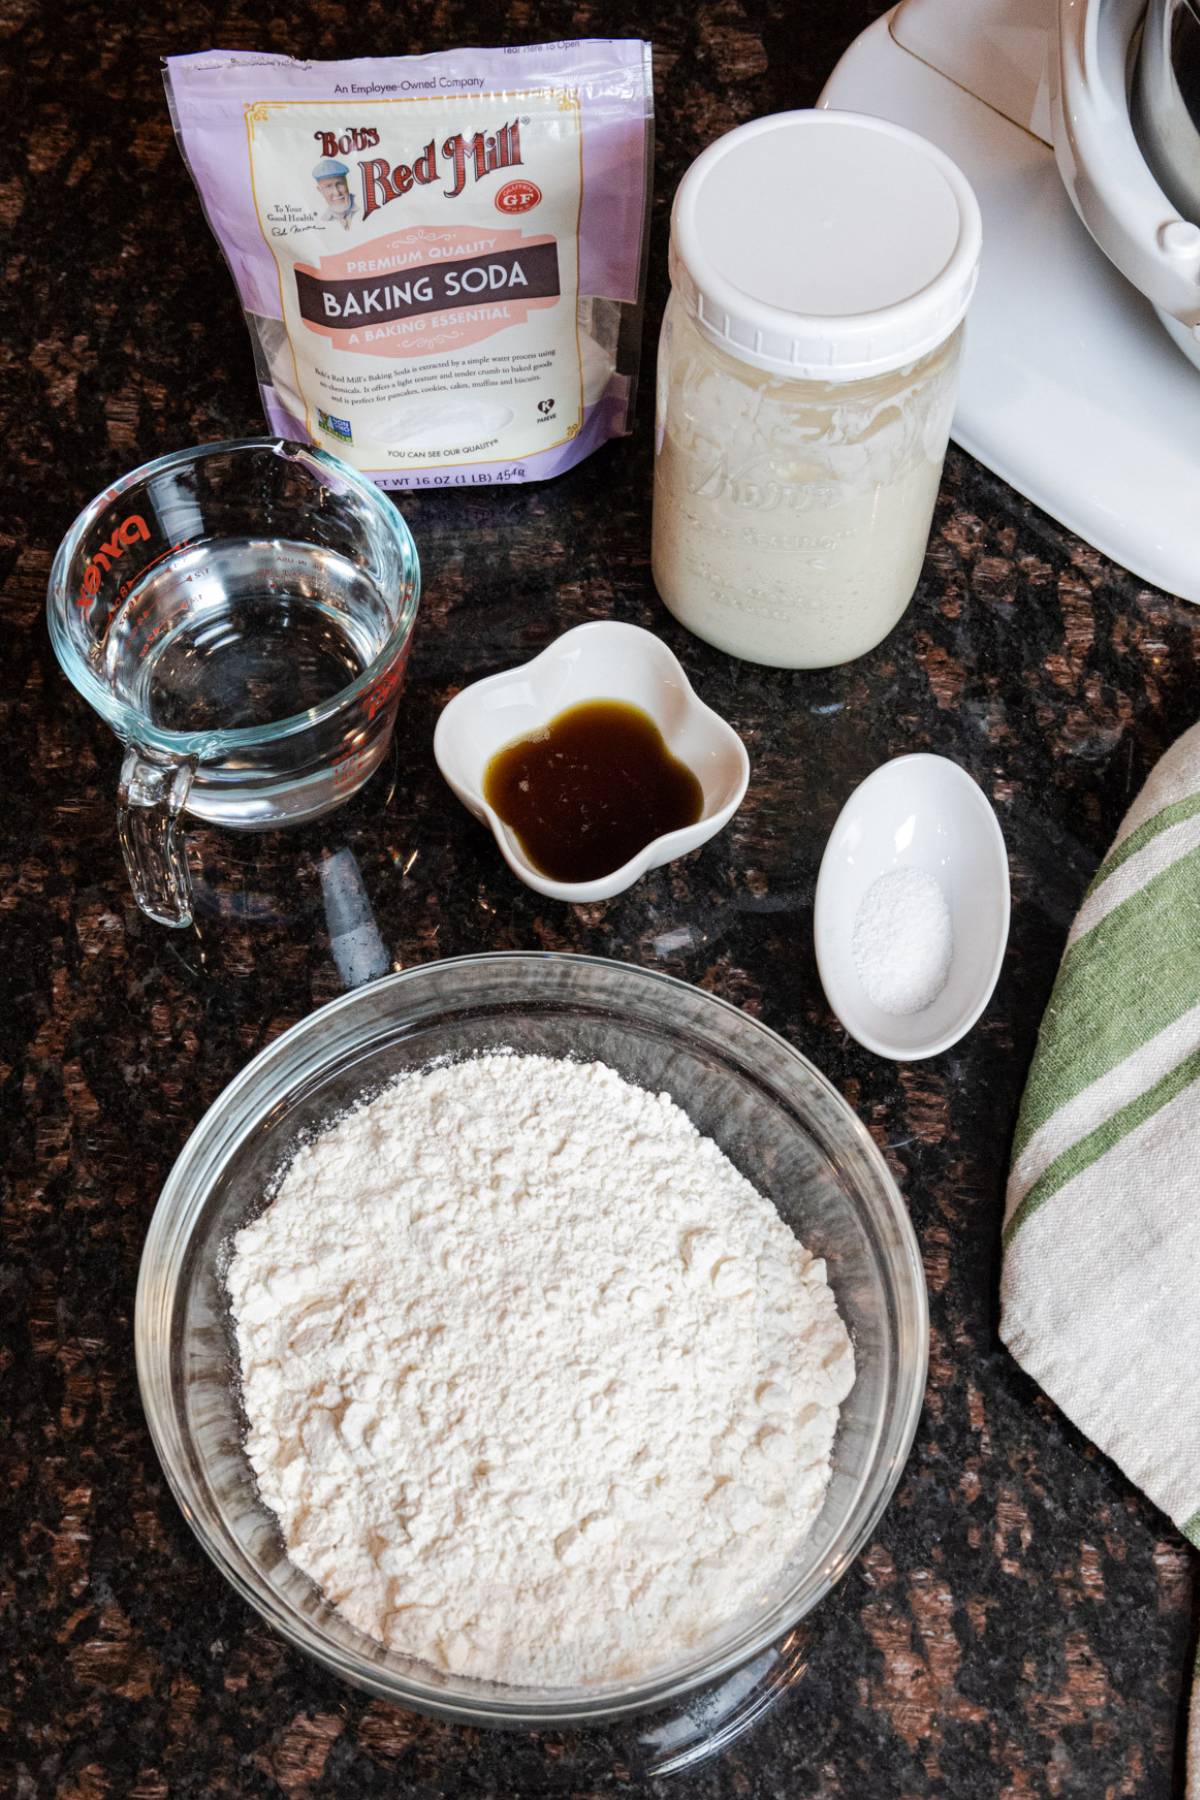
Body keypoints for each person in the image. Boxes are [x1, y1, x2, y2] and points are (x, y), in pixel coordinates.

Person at [312, 156, 357, 230]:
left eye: (340, 184)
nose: (336, 192)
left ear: (346, 183)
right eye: (328, 186)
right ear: (320, 190)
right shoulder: (323, 220)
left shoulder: (362, 206)